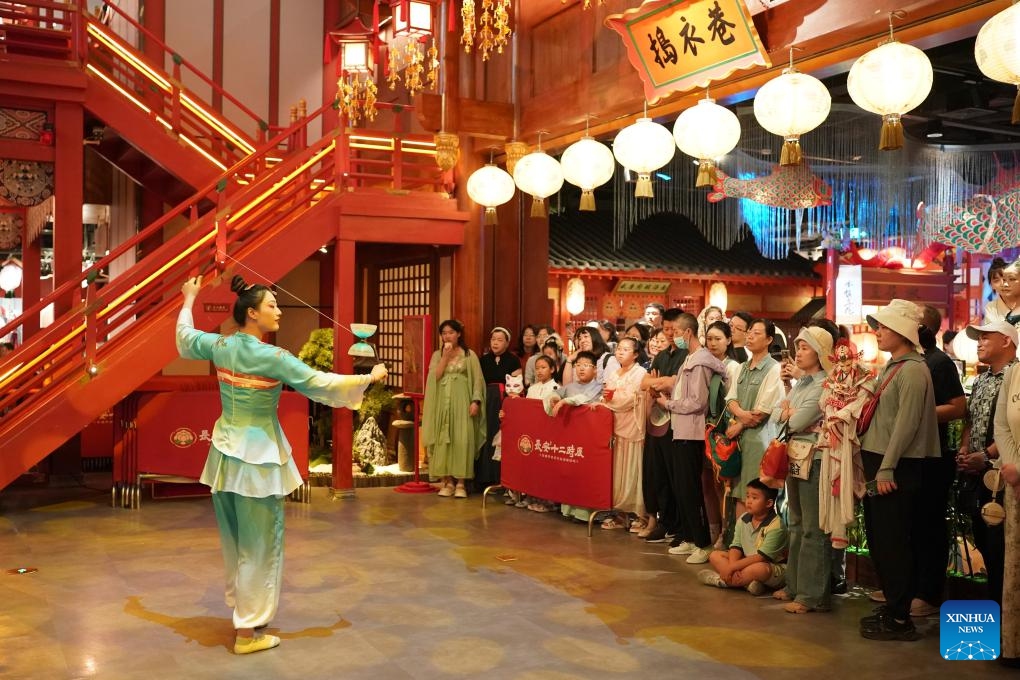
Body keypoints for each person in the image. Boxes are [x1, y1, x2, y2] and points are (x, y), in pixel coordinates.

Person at [176, 275, 387, 655]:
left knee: (237, 542)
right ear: (252, 313)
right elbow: (319, 383)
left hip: (224, 455)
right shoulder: (273, 357)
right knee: (261, 545)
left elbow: (186, 339)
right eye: (271, 306)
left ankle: (246, 616)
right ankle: (247, 633)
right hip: (257, 460)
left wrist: (189, 299)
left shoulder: (221, 345)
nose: (278, 312)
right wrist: (368, 378)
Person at [857, 299, 939, 642]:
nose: (877, 332)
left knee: (894, 540)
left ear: (903, 333)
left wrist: (887, 468)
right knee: (879, 537)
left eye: (884, 327)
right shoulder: (893, 367)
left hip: (897, 466)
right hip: (881, 462)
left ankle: (900, 616)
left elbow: (905, 426)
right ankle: (894, 605)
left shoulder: (914, 370)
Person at [655, 312, 728, 564]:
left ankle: (702, 543)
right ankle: (688, 537)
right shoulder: (691, 359)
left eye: (675, 332)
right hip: (681, 430)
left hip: (693, 432)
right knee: (681, 488)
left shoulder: (700, 362)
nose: (673, 337)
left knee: (691, 489)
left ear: (687, 333)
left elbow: (697, 402)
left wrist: (669, 404)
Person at [909, 305, 966, 617]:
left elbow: (958, 407)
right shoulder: (908, 361)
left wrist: (916, 416)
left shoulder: (939, 362)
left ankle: (929, 593)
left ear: (922, 328)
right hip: (912, 454)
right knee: (910, 523)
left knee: (929, 524)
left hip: (934, 455)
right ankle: (908, 585)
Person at [773, 326, 832, 614]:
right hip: (795, 455)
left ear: (820, 353)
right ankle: (795, 586)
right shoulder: (803, 383)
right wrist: (787, 413)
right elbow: (778, 416)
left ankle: (812, 595)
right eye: (798, 346)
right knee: (795, 523)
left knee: (812, 528)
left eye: (805, 347)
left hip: (815, 459)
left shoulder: (824, 384)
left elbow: (793, 422)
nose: (798, 351)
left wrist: (788, 413)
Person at [957, 320, 1017, 606]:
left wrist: (988, 454)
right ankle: (996, 614)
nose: (979, 343)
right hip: (977, 474)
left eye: (985, 338)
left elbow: (1011, 428)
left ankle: (1006, 612)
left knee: (1002, 548)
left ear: (1007, 341)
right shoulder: (980, 379)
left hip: (1005, 473)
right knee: (984, 540)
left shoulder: (1015, 377)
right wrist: (965, 449)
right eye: (977, 339)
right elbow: (969, 420)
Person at [639, 309, 689, 544]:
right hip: (656, 419)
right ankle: (664, 521)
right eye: (666, 329)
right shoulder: (661, 356)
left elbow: (676, 384)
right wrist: (662, 383)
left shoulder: (688, 355)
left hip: (677, 423)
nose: (669, 334)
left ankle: (679, 526)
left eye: (673, 329)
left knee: (674, 475)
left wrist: (663, 383)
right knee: (656, 473)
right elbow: (645, 382)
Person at [422, 319, 487, 499]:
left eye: (451, 332)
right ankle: (447, 481)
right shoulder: (437, 355)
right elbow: (435, 376)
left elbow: (477, 380)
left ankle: (461, 482)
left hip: (462, 401)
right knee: (443, 438)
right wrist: (444, 356)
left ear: (458, 334)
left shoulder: (469, 354)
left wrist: (476, 401)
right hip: (442, 401)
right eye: (444, 333)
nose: (447, 336)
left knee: (462, 438)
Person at [725, 319, 783, 516]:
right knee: (740, 493)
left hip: (760, 442)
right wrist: (741, 416)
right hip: (740, 441)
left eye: (757, 333)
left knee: (757, 495)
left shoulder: (774, 369)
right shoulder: (742, 367)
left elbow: (762, 412)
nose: (750, 336)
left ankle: (758, 544)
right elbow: (731, 398)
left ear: (768, 339)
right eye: (749, 332)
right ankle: (740, 543)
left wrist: (740, 424)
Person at [697, 478, 788, 595]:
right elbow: (736, 546)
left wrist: (732, 568)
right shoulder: (743, 518)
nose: (749, 501)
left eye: (754, 498)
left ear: (769, 503)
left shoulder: (777, 525)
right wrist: (732, 567)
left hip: (771, 566)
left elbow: (761, 557)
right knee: (715, 555)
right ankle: (748, 583)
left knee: (759, 568)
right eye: (748, 496)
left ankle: (721, 581)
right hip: (746, 562)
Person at [600, 337, 648, 530]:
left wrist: (612, 398)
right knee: (617, 470)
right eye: (619, 348)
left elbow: (629, 399)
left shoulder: (640, 372)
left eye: (626, 349)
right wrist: (609, 399)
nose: (620, 352)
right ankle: (620, 514)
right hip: (616, 426)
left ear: (636, 354)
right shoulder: (614, 373)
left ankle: (639, 515)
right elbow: (606, 396)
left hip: (633, 426)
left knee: (633, 470)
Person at [993, 348, 1020, 667]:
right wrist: (1012, 464)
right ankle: (1012, 644)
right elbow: (1002, 424)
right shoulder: (1013, 373)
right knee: (1014, 566)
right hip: (1014, 484)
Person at [477, 327, 522, 492]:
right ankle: (484, 477)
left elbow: (517, 384)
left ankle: (501, 478)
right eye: (493, 339)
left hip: (505, 400)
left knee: (501, 436)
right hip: (487, 399)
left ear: (507, 342)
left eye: (500, 340)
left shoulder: (513, 360)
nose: (495, 342)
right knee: (486, 434)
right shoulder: (483, 360)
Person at [983, 257, 1010, 324]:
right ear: (992, 285)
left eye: (1006, 278)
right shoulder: (991, 308)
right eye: (996, 280)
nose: (1002, 283)